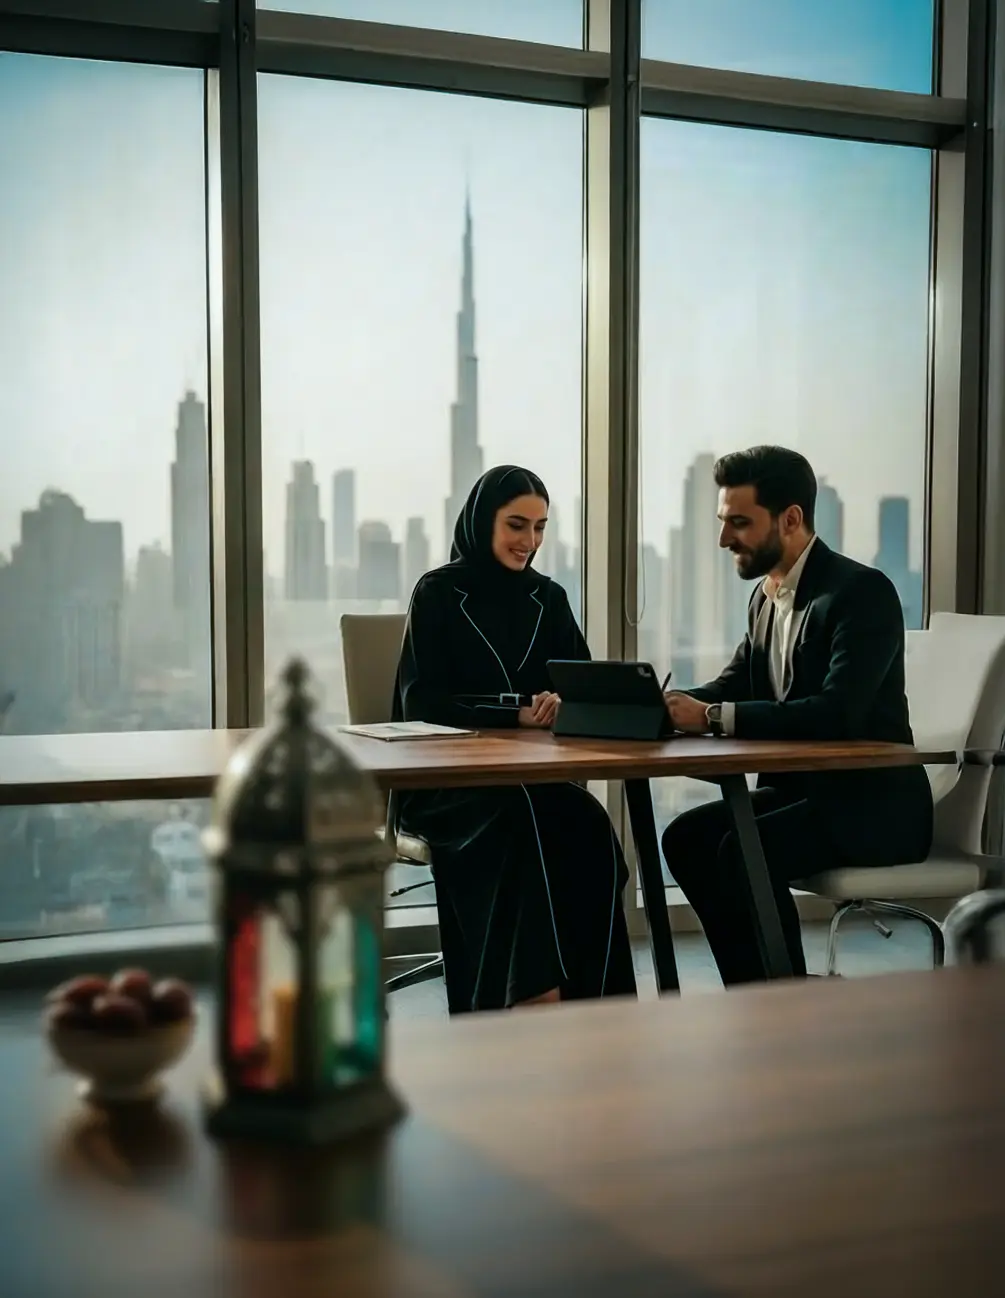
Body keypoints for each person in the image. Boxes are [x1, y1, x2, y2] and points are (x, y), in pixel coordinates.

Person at [661, 445, 933, 985]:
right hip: (807, 797)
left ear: (791, 519)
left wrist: (712, 716)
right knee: (684, 840)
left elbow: (837, 714)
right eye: (723, 522)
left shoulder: (860, 593)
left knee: (744, 851)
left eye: (739, 523)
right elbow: (734, 685)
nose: (723, 539)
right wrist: (660, 704)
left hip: (877, 808)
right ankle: (755, 992)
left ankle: (783, 1000)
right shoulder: (766, 599)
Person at [393, 465, 637, 1012]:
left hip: (528, 780)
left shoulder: (547, 599)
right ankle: (528, 996)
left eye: (541, 528)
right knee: (515, 825)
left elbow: (585, 684)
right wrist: (517, 714)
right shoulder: (437, 593)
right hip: (448, 786)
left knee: (589, 826)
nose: (529, 541)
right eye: (516, 525)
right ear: (483, 522)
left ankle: (600, 1003)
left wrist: (564, 704)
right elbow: (422, 703)